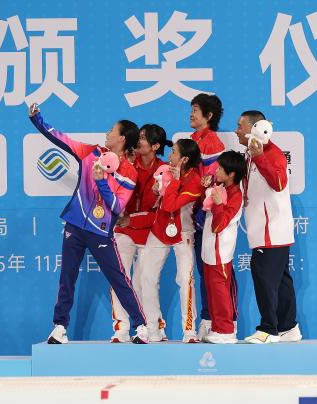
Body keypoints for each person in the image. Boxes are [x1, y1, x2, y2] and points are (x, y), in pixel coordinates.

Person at [28, 102, 151, 344]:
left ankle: (140, 326)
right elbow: (61, 139)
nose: (107, 133)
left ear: (122, 138)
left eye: (112, 130)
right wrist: (37, 119)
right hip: (75, 225)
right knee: (67, 278)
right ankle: (59, 327)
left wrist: (102, 181)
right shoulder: (92, 152)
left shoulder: (129, 172)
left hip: (100, 232)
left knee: (118, 279)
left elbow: (117, 206)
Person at [234, 111, 303, 344]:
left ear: (256, 128)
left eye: (240, 126)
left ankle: (268, 329)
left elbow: (279, 183)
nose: (236, 131)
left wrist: (261, 157)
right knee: (281, 281)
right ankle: (288, 327)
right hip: (263, 231)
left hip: (271, 231)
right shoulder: (250, 155)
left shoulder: (272, 154)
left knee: (265, 280)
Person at [135, 139, 204, 343]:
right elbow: (155, 202)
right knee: (147, 277)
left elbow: (170, 205)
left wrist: (172, 182)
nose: (169, 156)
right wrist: (157, 190)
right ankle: (153, 327)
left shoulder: (195, 181)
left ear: (184, 159)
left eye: (173, 152)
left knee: (185, 280)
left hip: (183, 235)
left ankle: (189, 331)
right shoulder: (165, 170)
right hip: (159, 230)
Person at [110, 124, 170, 343]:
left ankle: (153, 326)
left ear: (155, 146)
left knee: (146, 281)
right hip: (123, 229)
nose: (138, 140)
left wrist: (132, 219)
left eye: (143, 138)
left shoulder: (164, 171)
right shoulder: (125, 164)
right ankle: (122, 327)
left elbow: (161, 211)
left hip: (151, 232)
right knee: (119, 278)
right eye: (138, 136)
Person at [188, 94, 231, 341]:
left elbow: (213, 183)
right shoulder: (193, 139)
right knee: (201, 271)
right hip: (191, 216)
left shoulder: (212, 142)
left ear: (209, 115)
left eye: (196, 110)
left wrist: (200, 210)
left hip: (205, 216)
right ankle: (207, 320)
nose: (191, 114)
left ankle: (215, 321)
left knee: (210, 272)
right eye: (191, 109)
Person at [200, 151, 246, 344]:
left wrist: (218, 204)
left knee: (220, 290)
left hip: (220, 251)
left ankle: (226, 330)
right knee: (211, 289)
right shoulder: (219, 187)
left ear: (231, 174)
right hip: (209, 249)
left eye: (220, 169)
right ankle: (217, 328)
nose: (216, 171)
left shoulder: (236, 196)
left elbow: (218, 225)